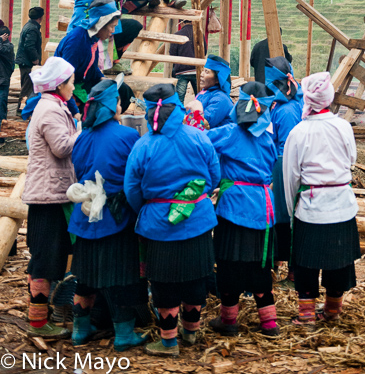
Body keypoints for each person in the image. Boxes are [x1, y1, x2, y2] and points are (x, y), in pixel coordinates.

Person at [124, 83, 220, 357]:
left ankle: (169, 341)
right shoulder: (200, 137)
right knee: (196, 277)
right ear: (178, 107)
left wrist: (149, 208)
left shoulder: (143, 145)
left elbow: (132, 189)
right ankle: (190, 332)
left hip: (159, 225)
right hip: (198, 220)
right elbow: (214, 177)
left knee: (164, 283)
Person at [68, 78, 146, 351]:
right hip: (116, 215)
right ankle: (124, 335)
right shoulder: (127, 136)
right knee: (121, 276)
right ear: (112, 105)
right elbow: (134, 177)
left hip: (85, 213)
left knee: (85, 275)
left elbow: (78, 170)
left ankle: (79, 330)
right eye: (118, 101)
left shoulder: (82, 136)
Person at [283, 72, 360, 325]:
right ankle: (332, 312)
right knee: (339, 262)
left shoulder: (299, 131)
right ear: (329, 97)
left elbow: (291, 177)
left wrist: (292, 211)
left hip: (311, 208)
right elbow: (351, 161)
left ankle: (306, 316)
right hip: (342, 205)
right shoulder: (343, 126)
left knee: (306, 262)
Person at [208, 81, 278, 338]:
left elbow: (202, 142)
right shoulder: (268, 138)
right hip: (263, 206)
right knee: (259, 267)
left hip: (234, 206)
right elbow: (271, 165)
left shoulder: (229, 133)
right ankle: (270, 325)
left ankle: (229, 322)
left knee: (228, 265)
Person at [21, 57, 78, 339]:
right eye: (71, 82)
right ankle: (39, 324)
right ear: (60, 84)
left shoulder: (53, 106)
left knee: (48, 256)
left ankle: (41, 318)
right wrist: (85, 133)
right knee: (44, 259)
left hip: (51, 192)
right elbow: (61, 147)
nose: (74, 86)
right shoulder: (51, 111)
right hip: (48, 196)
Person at [265, 56, 302, 273]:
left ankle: (285, 265)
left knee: (282, 215)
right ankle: (277, 263)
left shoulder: (287, 111)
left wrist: (274, 176)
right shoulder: (280, 105)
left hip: (282, 164)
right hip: (278, 162)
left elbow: (286, 147)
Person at [54, 0, 121, 106]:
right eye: (112, 26)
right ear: (101, 24)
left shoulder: (93, 39)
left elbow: (92, 68)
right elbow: (63, 79)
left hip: (79, 83)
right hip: (65, 88)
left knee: (121, 90)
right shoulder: (77, 42)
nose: (113, 31)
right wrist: (74, 111)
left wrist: (102, 78)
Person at [15, 6, 44, 113]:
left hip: (24, 61)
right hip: (27, 62)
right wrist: (35, 59)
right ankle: (22, 110)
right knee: (27, 88)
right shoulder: (32, 28)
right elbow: (29, 46)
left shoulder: (29, 26)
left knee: (27, 86)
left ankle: (24, 109)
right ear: (40, 17)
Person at [195, 54, 233, 129]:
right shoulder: (204, 92)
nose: (201, 74)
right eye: (203, 70)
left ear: (217, 79)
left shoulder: (221, 99)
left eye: (207, 72)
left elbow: (203, 124)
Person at [169, 21, 197, 104]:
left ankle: (180, 116)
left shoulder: (177, 35)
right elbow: (204, 51)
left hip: (181, 71)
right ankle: (199, 115)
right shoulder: (199, 34)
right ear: (192, 22)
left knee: (179, 99)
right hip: (196, 69)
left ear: (181, 23)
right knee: (199, 96)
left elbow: (172, 53)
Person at [0, 26, 15, 142]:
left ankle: (1, 138)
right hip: (3, 80)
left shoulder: (8, 47)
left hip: (2, 82)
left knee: (1, 110)